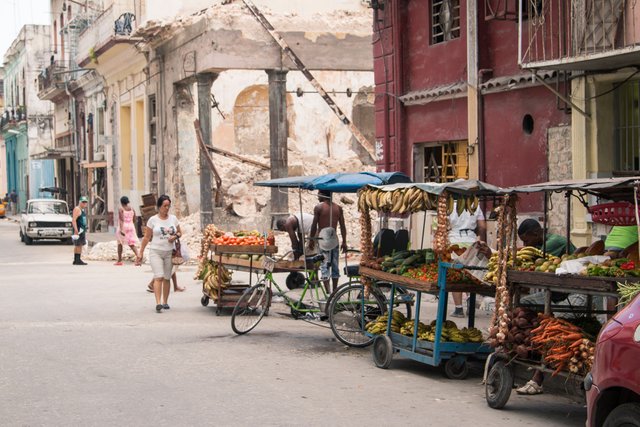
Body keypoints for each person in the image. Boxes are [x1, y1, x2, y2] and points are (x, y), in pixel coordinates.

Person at [515, 218, 578, 395]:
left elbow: (531, 257)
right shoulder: (542, 243)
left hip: (573, 294)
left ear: (536, 234)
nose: (525, 245)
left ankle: (539, 367)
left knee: (554, 326)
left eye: (526, 241)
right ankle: (532, 342)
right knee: (527, 302)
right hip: (559, 291)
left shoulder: (554, 242)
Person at [136, 195, 182, 313]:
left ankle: (165, 302)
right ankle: (158, 303)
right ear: (159, 206)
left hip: (169, 252)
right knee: (159, 276)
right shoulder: (153, 220)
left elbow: (180, 232)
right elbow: (146, 237)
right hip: (155, 251)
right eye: (164, 206)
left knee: (167, 277)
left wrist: (175, 236)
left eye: (168, 206)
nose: (166, 208)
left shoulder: (173, 219)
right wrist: (140, 253)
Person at [449, 200, 487, 317]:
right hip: (471, 241)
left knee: (456, 275)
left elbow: (442, 224)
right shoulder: (474, 206)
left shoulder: (450, 205)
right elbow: (482, 226)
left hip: (454, 241)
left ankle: (458, 309)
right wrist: (482, 241)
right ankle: (470, 299)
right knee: (470, 274)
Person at [309, 190, 347, 294]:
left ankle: (328, 292)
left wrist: (311, 239)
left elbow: (314, 225)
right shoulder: (338, 208)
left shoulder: (319, 208)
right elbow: (343, 226)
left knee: (324, 265)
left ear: (322, 194)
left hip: (323, 240)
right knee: (335, 266)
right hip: (334, 239)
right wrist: (344, 241)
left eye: (318, 194)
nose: (317, 197)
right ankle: (334, 292)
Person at [114, 196, 139, 265]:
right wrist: (130, 224)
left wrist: (122, 230)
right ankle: (138, 257)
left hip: (123, 227)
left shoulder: (121, 209)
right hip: (131, 226)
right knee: (131, 243)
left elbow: (122, 220)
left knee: (120, 243)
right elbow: (134, 219)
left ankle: (119, 260)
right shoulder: (132, 209)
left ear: (121, 202)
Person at [71, 196, 89, 265]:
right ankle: (78, 260)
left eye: (85, 202)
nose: (84, 204)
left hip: (81, 229)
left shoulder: (82, 210)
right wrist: (76, 230)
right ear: (80, 202)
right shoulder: (77, 209)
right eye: (83, 202)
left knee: (78, 244)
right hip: (79, 229)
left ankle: (76, 259)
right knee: (79, 244)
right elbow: (74, 220)